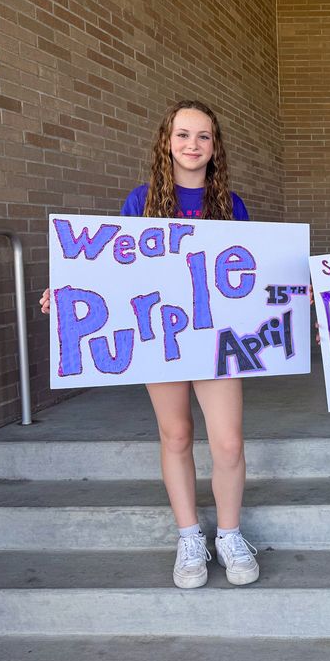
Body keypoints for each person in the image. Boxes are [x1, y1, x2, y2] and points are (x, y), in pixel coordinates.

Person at [41, 100, 259, 589]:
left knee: (227, 442)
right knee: (176, 434)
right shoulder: (140, 201)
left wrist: (288, 291)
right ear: (166, 141)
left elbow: (251, 271)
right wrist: (71, 292)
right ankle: (188, 537)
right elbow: (111, 269)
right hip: (158, 333)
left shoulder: (231, 204)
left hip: (215, 337)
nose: (192, 145)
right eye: (183, 135)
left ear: (215, 146)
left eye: (203, 136)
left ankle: (229, 533)